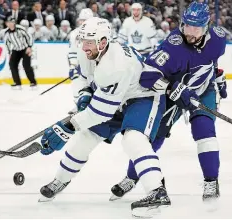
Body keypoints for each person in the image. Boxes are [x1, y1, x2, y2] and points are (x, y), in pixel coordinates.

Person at [38, 17, 171, 218]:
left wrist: (68, 126)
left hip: (142, 97)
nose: (84, 47)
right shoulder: (89, 51)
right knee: (85, 138)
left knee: (133, 139)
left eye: (89, 42)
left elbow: (101, 112)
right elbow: (81, 77)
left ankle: (156, 191)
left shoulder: (115, 65)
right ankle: (60, 180)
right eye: (82, 41)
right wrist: (83, 94)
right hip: (115, 98)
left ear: (102, 42)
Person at [110, 0, 227, 203]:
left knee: (204, 130)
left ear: (206, 27)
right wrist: (173, 88)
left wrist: (218, 77)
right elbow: (147, 76)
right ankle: (132, 176)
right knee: (153, 137)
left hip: (203, 89)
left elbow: (212, 60)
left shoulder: (218, 37)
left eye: (196, 28)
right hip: (174, 94)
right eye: (186, 26)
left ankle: (211, 180)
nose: (189, 32)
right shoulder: (173, 45)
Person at [4, 16, 37, 89]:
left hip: (25, 48)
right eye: (9, 22)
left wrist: (29, 47)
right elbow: (7, 43)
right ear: (6, 24)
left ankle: (33, 82)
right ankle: (17, 83)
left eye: (12, 22)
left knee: (26, 65)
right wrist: (10, 53)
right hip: (16, 50)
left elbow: (29, 37)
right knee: (12, 64)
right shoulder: (6, 33)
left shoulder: (20, 28)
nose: (11, 24)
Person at [68, 8, 93, 101]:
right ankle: (78, 103)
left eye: (85, 20)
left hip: (93, 65)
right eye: (82, 20)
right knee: (77, 83)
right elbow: (72, 51)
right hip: (79, 66)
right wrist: (73, 66)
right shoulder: (74, 34)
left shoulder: (97, 32)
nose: (83, 22)